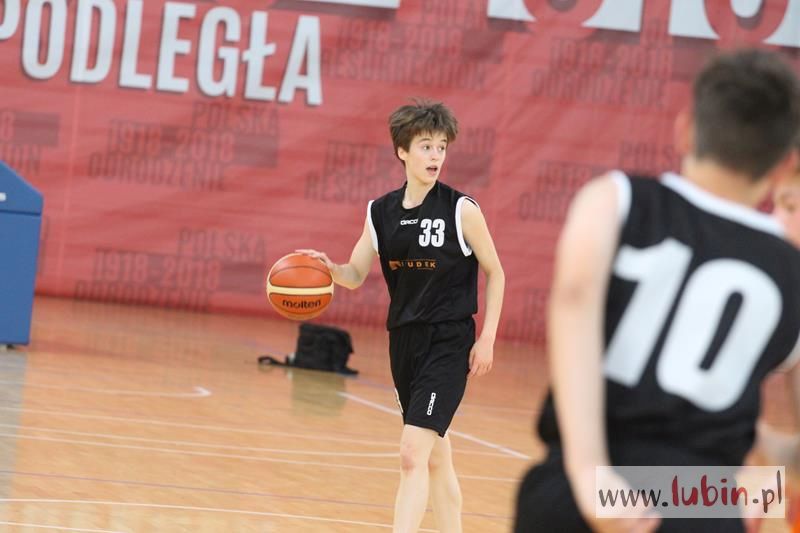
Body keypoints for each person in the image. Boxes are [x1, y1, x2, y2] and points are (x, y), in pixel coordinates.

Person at [514, 48, 800, 533]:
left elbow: (574, 301)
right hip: (699, 501)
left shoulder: (616, 199)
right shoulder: (789, 268)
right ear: (784, 166)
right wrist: (767, 467)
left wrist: (590, 474)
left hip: (580, 492)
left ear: (684, 129)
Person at [298, 99, 505, 533]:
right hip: (404, 344)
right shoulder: (380, 213)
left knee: (412, 453)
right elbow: (355, 274)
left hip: (448, 342)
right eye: (426, 146)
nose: (436, 156)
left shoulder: (461, 210)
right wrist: (330, 269)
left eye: (441, 147)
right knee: (436, 456)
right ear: (402, 151)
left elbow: (496, 272)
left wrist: (486, 338)